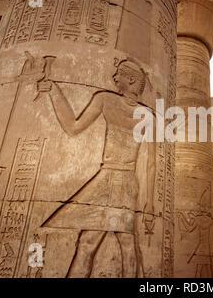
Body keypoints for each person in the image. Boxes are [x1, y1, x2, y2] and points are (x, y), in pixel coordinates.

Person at [39, 58, 156, 277]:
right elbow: (150, 165)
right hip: (125, 183)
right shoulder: (145, 115)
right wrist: (148, 203)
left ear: (131, 79)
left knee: (97, 244)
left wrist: (55, 93)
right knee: (122, 244)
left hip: (110, 180)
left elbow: (73, 127)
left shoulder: (107, 100)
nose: (114, 78)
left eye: (118, 73)